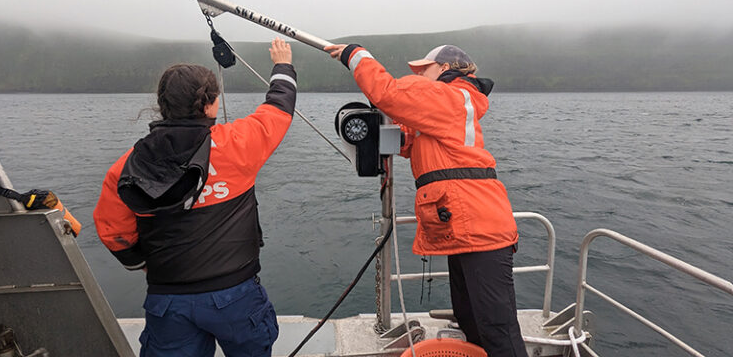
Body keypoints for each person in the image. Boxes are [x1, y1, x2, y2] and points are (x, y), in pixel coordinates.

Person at [93, 38, 297, 357]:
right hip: (236, 298)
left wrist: (144, 264)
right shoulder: (238, 144)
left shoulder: (127, 167)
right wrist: (282, 65)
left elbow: (112, 232)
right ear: (211, 104)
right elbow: (279, 109)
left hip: (168, 300)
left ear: (162, 104)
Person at [326, 43, 528, 357]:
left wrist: (355, 55)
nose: (418, 75)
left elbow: (389, 93)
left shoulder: (450, 97)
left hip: (480, 230)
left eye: (424, 70)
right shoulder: (447, 107)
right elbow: (416, 141)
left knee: (497, 329)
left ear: (445, 70)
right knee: (470, 319)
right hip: (464, 227)